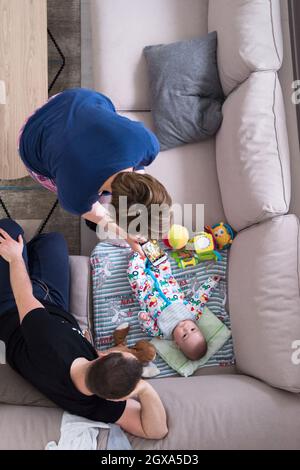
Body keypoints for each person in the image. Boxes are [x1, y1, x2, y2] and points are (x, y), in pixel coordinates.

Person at [0, 219, 168, 440]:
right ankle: (26, 254)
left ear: (100, 358)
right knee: (54, 241)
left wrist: (15, 258)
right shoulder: (98, 405)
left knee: (9, 231)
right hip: (55, 310)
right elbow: (156, 431)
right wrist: (145, 390)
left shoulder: (51, 343)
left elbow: (24, 295)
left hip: (14, 310)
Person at [18, 88, 172, 254]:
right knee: (74, 185)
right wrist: (125, 234)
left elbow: (136, 169)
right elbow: (96, 214)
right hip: (32, 134)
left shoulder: (149, 144)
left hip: (77, 98)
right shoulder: (76, 196)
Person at [128, 252, 220, 360]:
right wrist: (211, 283)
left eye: (184, 335)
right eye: (193, 329)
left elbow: (148, 328)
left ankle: (137, 254)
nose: (186, 328)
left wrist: (144, 318)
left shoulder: (163, 333)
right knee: (161, 260)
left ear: (177, 343)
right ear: (198, 327)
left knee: (134, 273)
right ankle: (147, 248)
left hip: (144, 289)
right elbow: (200, 298)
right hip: (164, 277)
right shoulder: (193, 313)